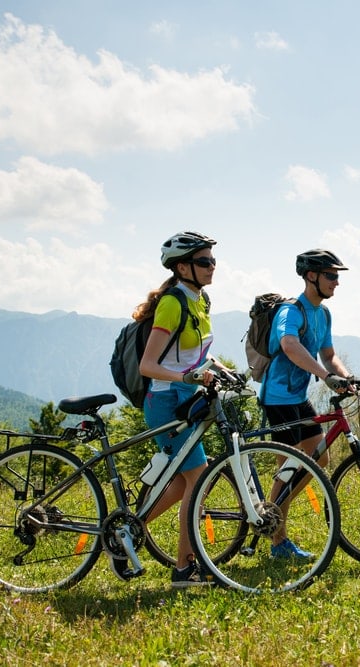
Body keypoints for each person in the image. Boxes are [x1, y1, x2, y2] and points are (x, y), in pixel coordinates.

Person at [115, 231, 219, 588]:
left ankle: (132, 530)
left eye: (212, 261)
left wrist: (217, 370)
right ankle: (184, 569)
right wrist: (191, 377)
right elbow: (148, 365)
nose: (212, 267)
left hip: (185, 400)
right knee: (199, 477)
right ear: (182, 266)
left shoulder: (200, 300)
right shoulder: (173, 304)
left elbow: (194, 354)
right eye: (204, 261)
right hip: (165, 402)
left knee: (183, 480)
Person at [259, 249, 360, 558]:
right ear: (311, 276)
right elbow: (289, 345)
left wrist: (347, 378)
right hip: (278, 398)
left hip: (298, 397)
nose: (336, 282)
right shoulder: (292, 311)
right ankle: (277, 541)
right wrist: (324, 377)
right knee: (288, 467)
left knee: (318, 459)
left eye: (337, 276)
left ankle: (273, 510)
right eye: (331, 276)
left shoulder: (323, 314)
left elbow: (329, 355)